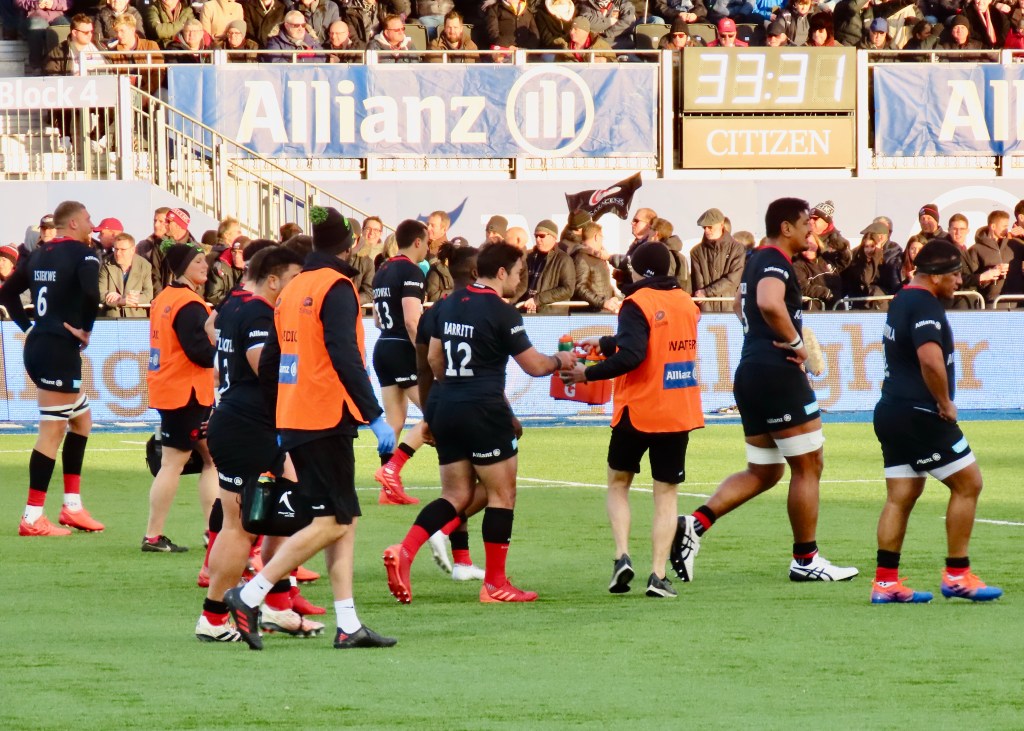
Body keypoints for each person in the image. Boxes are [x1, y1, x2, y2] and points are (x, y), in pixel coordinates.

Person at [227, 206, 398, 651]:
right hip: (325, 415)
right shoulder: (335, 287)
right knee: (334, 521)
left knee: (344, 519)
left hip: (298, 414)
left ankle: (348, 623)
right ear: (351, 243)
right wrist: (374, 414)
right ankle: (251, 594)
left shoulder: (294, 287)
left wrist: (277, 417)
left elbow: (271, 361)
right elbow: (344, 353)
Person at [670, 197, 858, 585]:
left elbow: (740, 305)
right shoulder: (774, 259)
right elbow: (768, 302)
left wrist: (764, 334)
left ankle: (695, 524)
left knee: (765, 470)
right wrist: (796, 344)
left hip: (752, 371)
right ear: (786, 228)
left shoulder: (756, 257)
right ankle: (806, 560)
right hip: (777, 373)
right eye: (805, 223)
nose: (811, 230)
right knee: (809, 465)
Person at [383, 241, 577, 604]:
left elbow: (433, 359)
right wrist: (559, 361)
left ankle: (404, 551)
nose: (520, 279)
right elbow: (534, 366)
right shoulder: (503, 312)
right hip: (484, 410)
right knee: (502, 494)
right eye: (518, 272)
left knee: (455, 495)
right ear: (501, 272)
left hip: (446, 405)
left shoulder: (446, 304)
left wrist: (444, 400)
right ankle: (495, 584)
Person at [562, 242, 703, 598]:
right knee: (666, 495)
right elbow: (653, 343)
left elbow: (635, 355)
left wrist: (587, 373)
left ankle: (622, 555)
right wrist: (608, 342)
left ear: (640, 270)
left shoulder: (636, 302)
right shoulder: (687, 303)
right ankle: (658, 575)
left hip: (637, 410)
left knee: (618, 483)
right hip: (677, 409)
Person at [198, 246, 321, 643]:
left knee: (282, 510)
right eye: (293, 280)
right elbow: (263, 366)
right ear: (272, 280)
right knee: (241, 528)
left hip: (243, 422)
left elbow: (211, 327)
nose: (296, 287)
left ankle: (277, 606)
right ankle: (213, 619)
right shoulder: (258, 312)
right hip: (247, 427)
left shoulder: (234, 302)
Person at [870, 239, 1003, 603]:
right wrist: (945, 403)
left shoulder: (902, 299)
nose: (959, 282)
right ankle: (957, 575)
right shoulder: (924, 304)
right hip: (920, 413)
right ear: (935, 276)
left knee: (901, 496)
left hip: (892, 410)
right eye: (955, 274)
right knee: (969, 483)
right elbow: (929, 359)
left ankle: (885, 583)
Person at [0, 201, 105, 536]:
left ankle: (72, 506)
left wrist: (28, 328)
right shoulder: (85, 254)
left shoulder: (37, 254)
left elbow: (7, 293)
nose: (91, 224)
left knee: (81, 420)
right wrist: (86, 329)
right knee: (53, 430)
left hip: (39, 345)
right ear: (73, 223)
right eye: (87, 219)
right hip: (58, 350)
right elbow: (92, 294)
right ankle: (32, 517)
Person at [390, 246, 490, 583]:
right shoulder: (486, 308)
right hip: (476, 407)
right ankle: (439, 531)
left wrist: (431, 412)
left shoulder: (437, 309)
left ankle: (462, 560)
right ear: (477, 273)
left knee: (458, 488)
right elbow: (487, 367)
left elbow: (426, 365)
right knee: (494, 486)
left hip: (443, 406)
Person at [143, 242, 217, 553]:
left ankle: (213, 531)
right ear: (184, 267)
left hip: (172, 388)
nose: (205, 265)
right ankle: (154, 535)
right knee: (175, 462)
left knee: (211, 458)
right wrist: (223, 347)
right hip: (187, 392)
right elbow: (199, 352)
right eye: (198, 261)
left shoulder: (165, 298)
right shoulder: (189, 303)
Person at [371, 220, 431, 505]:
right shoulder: (412, 271)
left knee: (394, 422)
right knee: (437, 413)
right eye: (427, 242)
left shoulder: (382, 270)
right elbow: (411, 321)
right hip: (402, 348)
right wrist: (425, 354)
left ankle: (387, 492)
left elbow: (377, 320)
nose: (428, 248)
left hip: (383, 346)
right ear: (418, 242)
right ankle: (392, 470)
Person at [689, 207, 745, 312]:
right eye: (704, 227)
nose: (706, 230)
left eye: (710, 227)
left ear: (721, 225)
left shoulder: (737, 249)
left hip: (730, 310)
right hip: (706, 311)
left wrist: (706, 292)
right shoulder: (696, 252)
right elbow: (698, 284)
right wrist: (706, 309)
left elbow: (733, 279)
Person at [517, 219, 576, 313]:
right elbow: (521, 285)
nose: (538, 239)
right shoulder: (529, 257)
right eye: (536, 236)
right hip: (527, 313)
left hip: (551, 315)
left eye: (542, 236)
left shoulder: (564, 260)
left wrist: (537, 300)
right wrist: (510, 299)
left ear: (553, 237)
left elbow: (568, 289)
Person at [99, 232, 154, 317]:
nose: (118, 253)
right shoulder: (106, 264)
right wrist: (121, 300)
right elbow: (100, 293)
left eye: (123, 249)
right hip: (112, 319)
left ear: (133, 250)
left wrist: (130, 299)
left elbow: (148, 294)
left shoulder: (144, 266)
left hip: (135, 319)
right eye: (116, 249)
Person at [573, 221, 620, 313]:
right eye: (602, 237)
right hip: (592, 314)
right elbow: (580, 287)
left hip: (603, 312)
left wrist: (615, 297)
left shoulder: (596, 258)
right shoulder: (582, 257)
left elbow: (604, 285)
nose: (602, 240)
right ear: (596, 237)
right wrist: (602, 303)